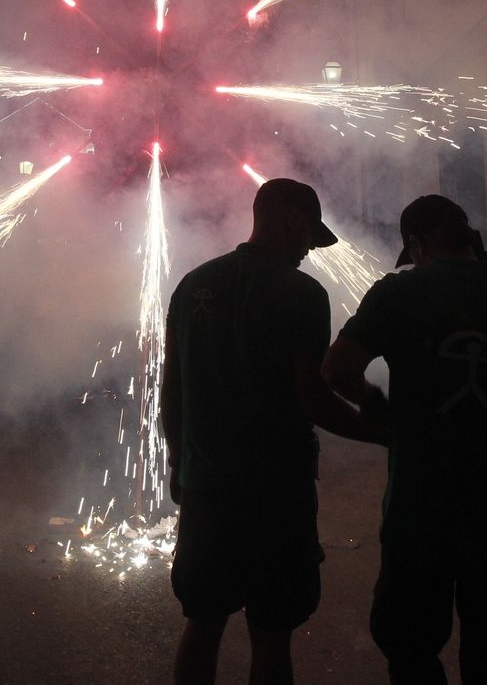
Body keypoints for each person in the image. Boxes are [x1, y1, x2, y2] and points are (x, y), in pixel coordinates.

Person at [323, 195, 487, 684]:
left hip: (421, 510)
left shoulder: (397, 294)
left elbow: (337, 368)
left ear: (416, 244)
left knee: (410, 650)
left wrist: (377, 410)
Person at [162, 177, 387, 685]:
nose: (311, 250)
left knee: (203, 623)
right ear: (294, 221)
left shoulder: (193, 284)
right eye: (311, 237)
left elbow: (171, 391)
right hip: (276, 492)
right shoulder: (303, 293)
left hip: (207, 487)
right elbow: (312, 398)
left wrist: (180, 462)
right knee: (271, 632)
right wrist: (380, 433)